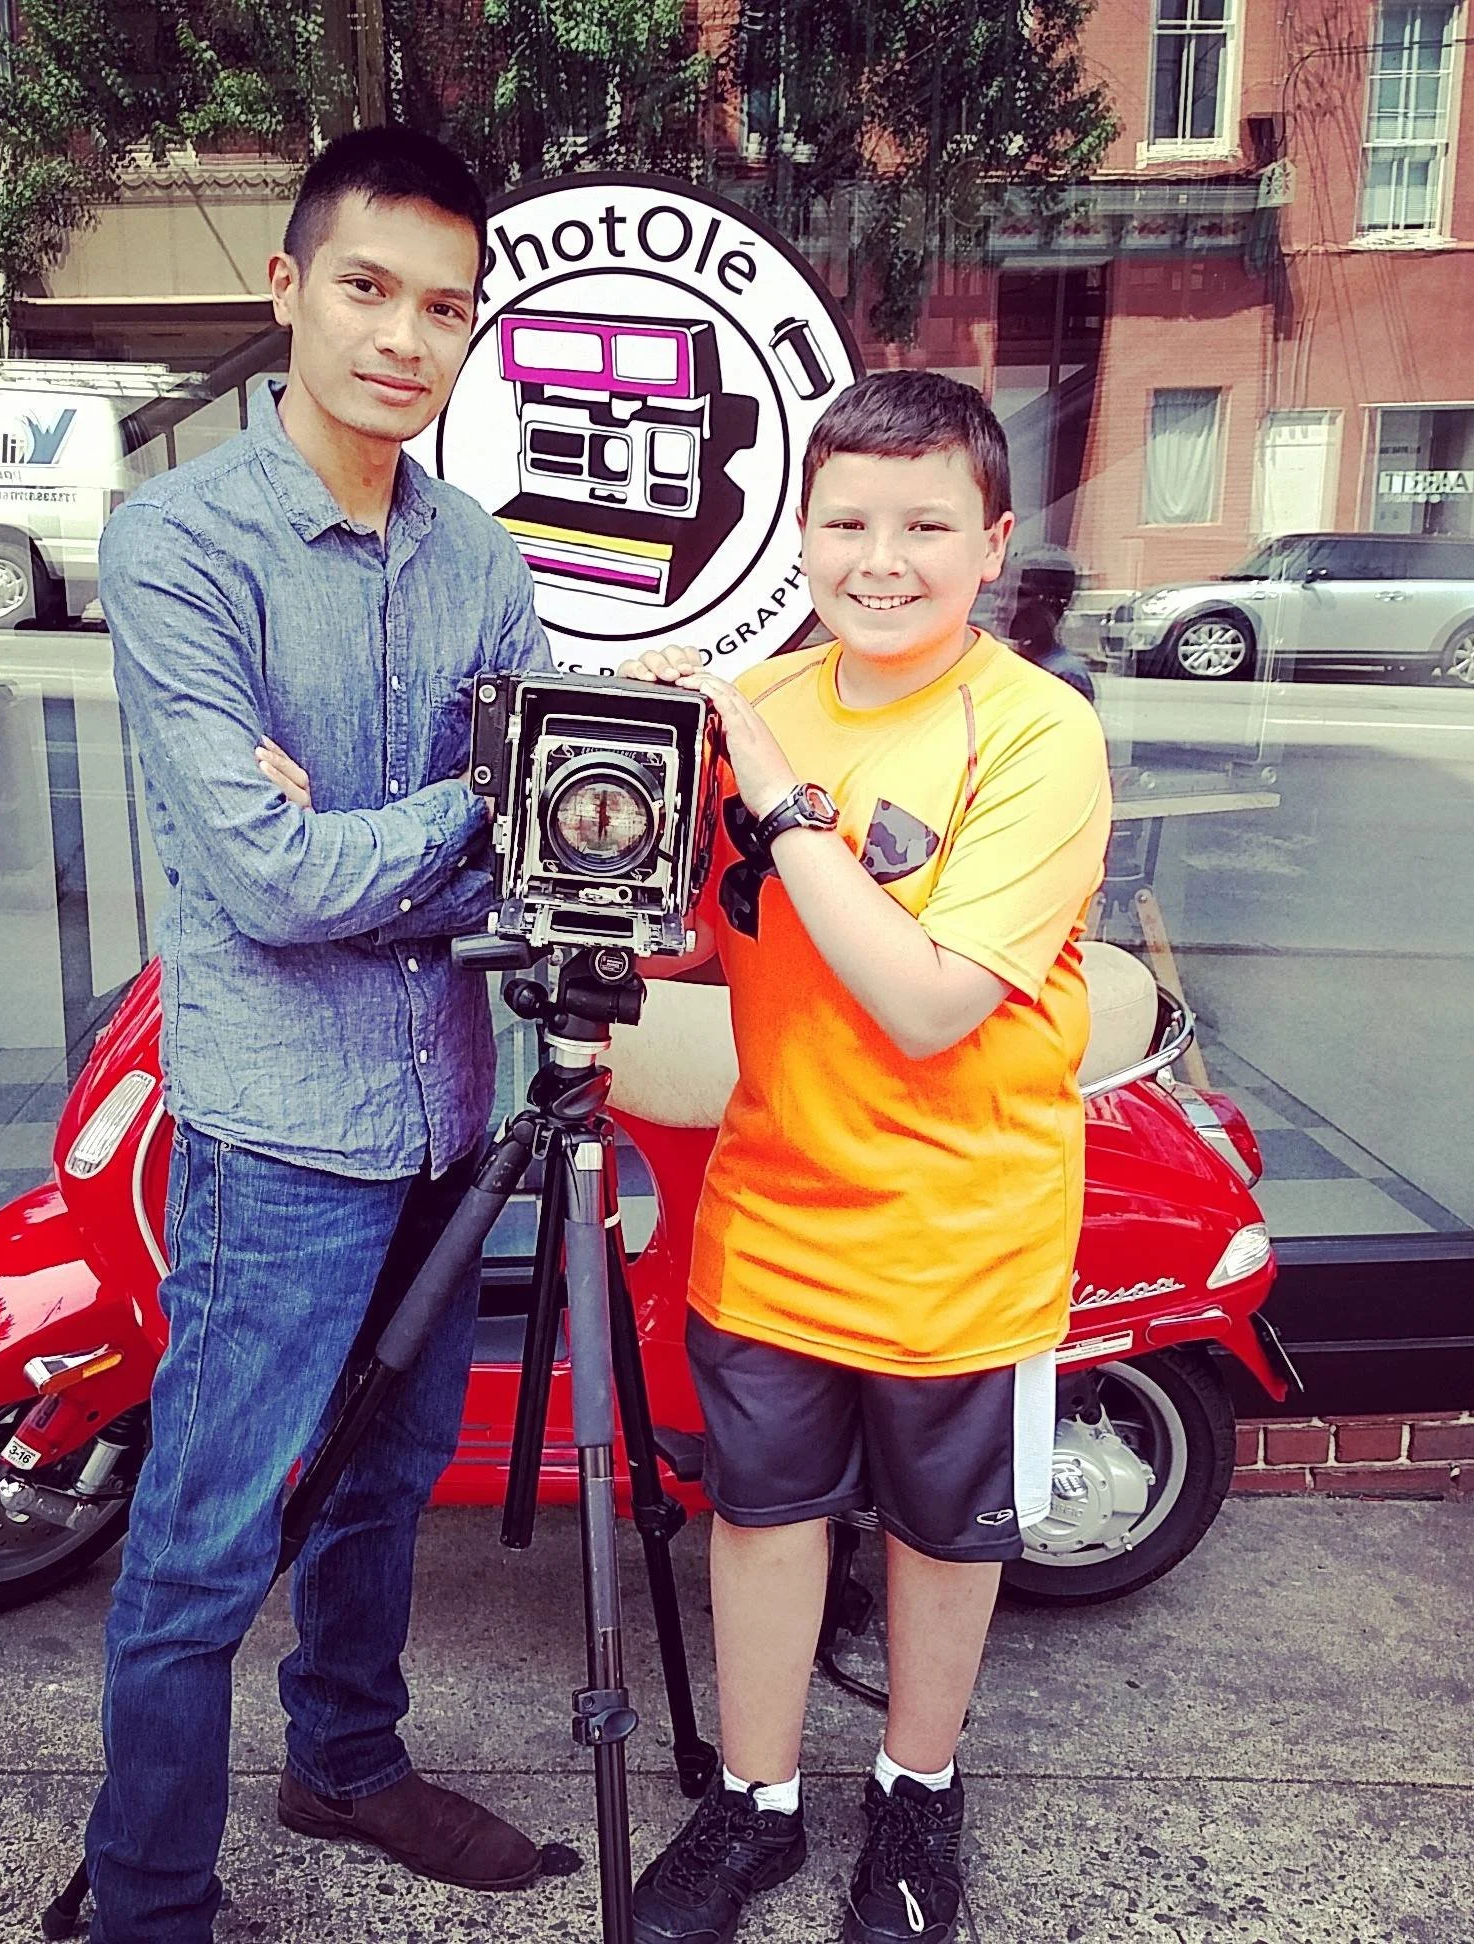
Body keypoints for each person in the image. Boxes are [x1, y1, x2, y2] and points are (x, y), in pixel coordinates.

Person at [86, 128, 556, 1944]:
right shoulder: (174, 544)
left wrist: (391, 837)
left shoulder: (483, 564)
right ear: (286, 288)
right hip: (277, 1130)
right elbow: (271, 886)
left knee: (386, 1487)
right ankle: (148, 1898)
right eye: (365, 288)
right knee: (205, 1533)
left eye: (444, 307)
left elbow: (495, 859)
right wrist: (450, 811)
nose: (402, 336)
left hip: (451, 1109)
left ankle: (345, 1759)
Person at [619, 371, 1112, 1944]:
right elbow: (704, 936)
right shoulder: (760, 706)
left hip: (964, 1233)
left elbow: (922, 1002)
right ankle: (755, 1807)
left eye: (923, 525)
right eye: (845, 521)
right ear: (802, 531)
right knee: (759, 1519)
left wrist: (770, 797)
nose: (879, 559)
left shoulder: (1037, 734)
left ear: (995, 548)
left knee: (941, 1536)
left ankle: (917, 1792)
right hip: (775, 1215)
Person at [1005, 545, 1097, 702]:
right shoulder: (1015, 660)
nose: (1004, 604)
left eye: (1021, 595)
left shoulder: (1066, 675)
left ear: (1051, 603)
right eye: (1002, 593)